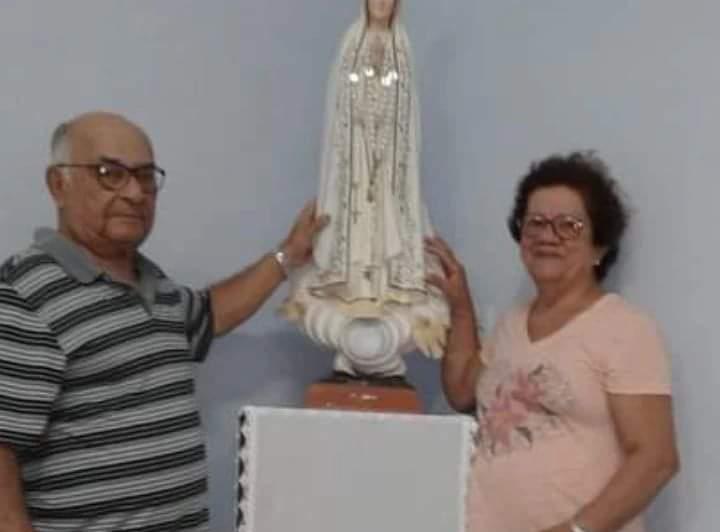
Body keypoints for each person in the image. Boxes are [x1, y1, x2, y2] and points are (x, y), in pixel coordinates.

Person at [0, 111, 327, 532]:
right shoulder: (25, 293)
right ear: (58, 184)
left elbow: (209, 313)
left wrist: (288, 255)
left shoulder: (153, 283)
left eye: (145, 176)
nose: (135, 192)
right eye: (110, 174)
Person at [427, 152, 679, 532]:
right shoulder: (511, 323)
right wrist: (460, 306)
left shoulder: (626, 329)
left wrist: (576, 530)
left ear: (599, 247)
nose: (548, 236)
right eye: (536, 223)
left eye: (569, 226)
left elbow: (656, 460)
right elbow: (462, 391)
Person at [283, 0, 448, 376]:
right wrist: (359, 126)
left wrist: (388, 138)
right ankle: (355, 286)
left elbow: (407, 110)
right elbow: (339, 103)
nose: (382, 4)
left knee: (388, 214)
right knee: (356, 216)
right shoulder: (351, 41)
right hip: (355, 152)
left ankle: (387, 286)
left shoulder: (401, 46)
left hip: (390, 157)